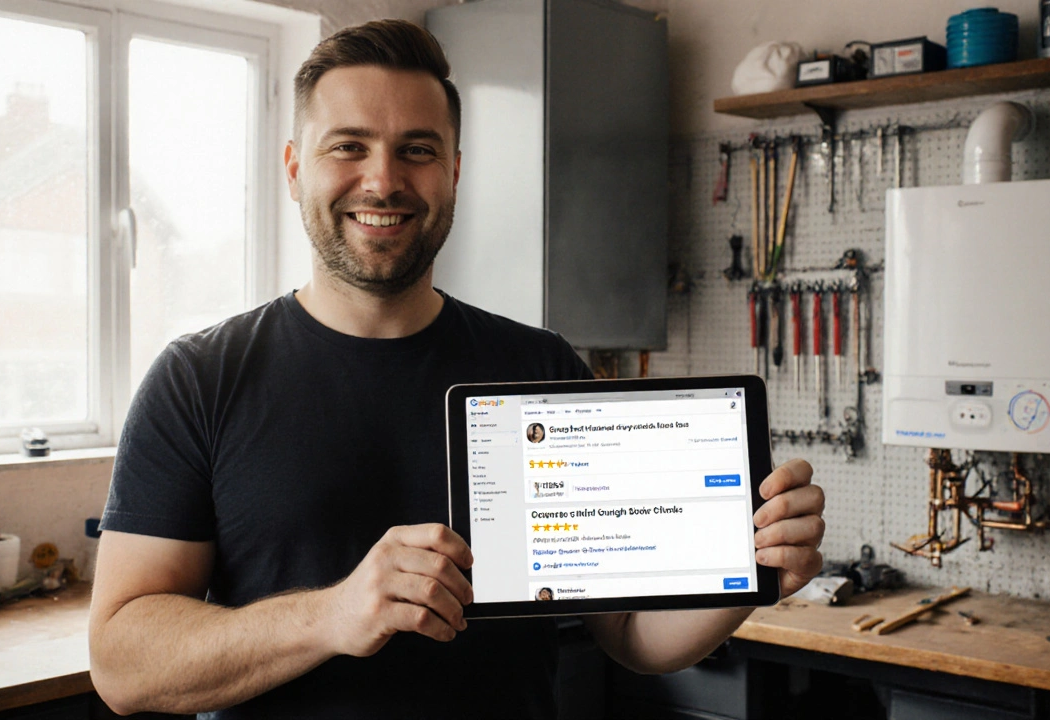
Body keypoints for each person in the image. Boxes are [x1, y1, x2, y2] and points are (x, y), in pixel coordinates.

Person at [87, 19, 825, 720]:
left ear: (455, 171)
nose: (382, 181)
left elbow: (631, 636)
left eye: (417, 149)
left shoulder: (540, 368)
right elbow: (122, 667)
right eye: (348, 146)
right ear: (293, 168)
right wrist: (332, 614)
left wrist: (748, 572)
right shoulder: (199, 381)